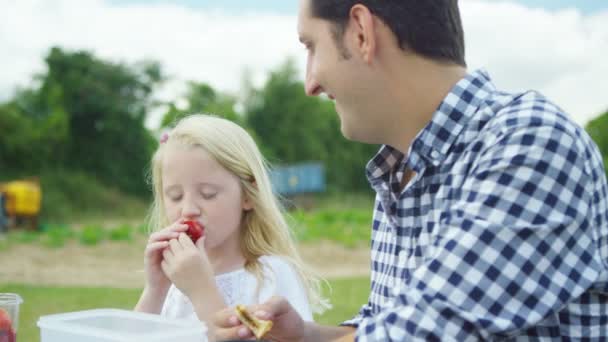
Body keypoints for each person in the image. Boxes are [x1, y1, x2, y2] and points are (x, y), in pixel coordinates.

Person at [213, 0, 608, 341]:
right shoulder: (399, 171)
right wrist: (306, 335)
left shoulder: (530, 143)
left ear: (362, 32)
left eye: (311, 46)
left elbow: (424, 332)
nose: (310, 82)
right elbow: (385, 325)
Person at [134, 114, 329, 329]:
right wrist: (155, 289)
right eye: (175, 196)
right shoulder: (177, 281)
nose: (188, 209)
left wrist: (202, 291)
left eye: (208, 194)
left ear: (247, 195)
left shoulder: (272, 276)